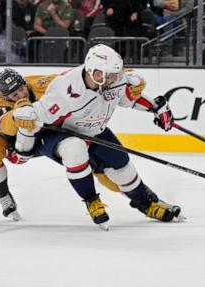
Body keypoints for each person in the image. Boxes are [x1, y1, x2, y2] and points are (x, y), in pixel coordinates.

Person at [12, 44, 183, 230]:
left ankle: (147, 203)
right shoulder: (65, 89)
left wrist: (157, 108)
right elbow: (32, 116)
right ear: (94, 71)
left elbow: (129, 98)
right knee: (74, 149)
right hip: (57, 134)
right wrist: (23, 147)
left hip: (95, 131)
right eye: (108, 74)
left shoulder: (113, 79)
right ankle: (92, 201)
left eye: (114, 74)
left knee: (123, 168)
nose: (113, 79)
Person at [0, 69, 57, 221]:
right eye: (15, 95)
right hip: (16, 139)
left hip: (50, 133)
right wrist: (19, 113)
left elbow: (75, 78)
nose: (22, 95)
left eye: (22, 89)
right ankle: (3, 196)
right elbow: (5, 127)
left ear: (25, 83)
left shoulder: (42, 83)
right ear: (5, 97)